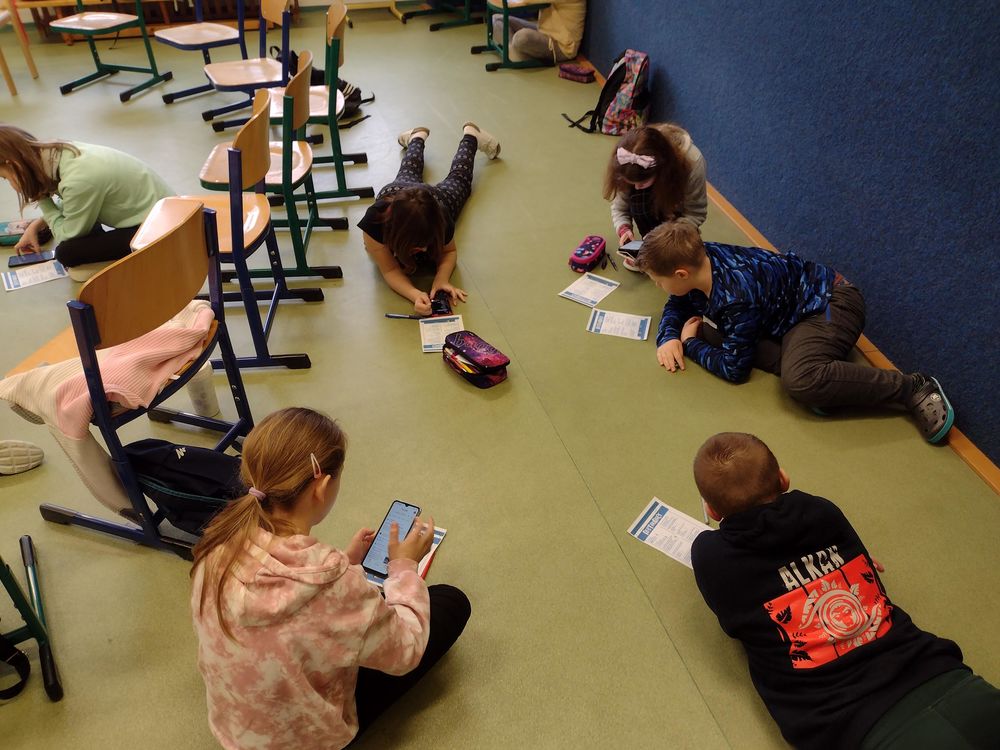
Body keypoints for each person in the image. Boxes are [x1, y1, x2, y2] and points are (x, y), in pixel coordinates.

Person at [690, 432, 1000, 750]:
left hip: (854, 724)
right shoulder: (821, 511)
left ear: (712, 511)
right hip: (947, 678)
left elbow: (733, 624)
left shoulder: (710, 555)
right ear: (783, 479)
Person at [190, 407, 471, 749]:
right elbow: (405, 652)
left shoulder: (217, 543)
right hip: (308, 741)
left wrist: (347, 562)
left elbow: (292, 599)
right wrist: (403, 566)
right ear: (322, 487)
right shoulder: (331, 583)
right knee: (450, 602)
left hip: (237, 732)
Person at [639, 221, 954, 443]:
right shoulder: (701, 258)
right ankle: (832, 383)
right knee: (714, 333)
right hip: (787, 315)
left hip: (829, 304)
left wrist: (690, 343)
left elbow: (735, 370)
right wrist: (668, 336)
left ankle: (912, 387)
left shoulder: (736, 296)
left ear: (681, 273)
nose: (657, 285)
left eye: (657, 280)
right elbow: (679, 301)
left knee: (800, 380)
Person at [359, 123, 500, 316]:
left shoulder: (441, 216)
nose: (425, 250)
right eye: (418, 246)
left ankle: (471, 136)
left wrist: (441, 279)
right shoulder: (374, 223)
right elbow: (390, 270)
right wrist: (415, 294)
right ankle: (416, 136)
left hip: (434, 197)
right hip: (395, 192)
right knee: (409, 169)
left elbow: (449, 251)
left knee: (460, 180)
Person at [0, 125, 172, 280]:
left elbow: (67, 235)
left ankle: (135, 259)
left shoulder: (78, 179)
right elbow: (75, 200)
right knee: (79, 227)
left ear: (14, 165)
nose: (9, 184)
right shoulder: (59, 154)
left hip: (162, 232)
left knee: (66, 252)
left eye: (5, 178)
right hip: (165, 213)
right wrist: (37, 225)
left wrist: (42, 199)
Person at [603, 123, 707, 271]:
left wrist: (663, 237)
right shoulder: (626, 161)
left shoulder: (693, 162)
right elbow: (620, 206)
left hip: (676, 210)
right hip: (658, 197)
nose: (636, 188)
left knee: (679, 261)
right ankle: (652, 245)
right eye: (631, 183)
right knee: (638, 200)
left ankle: (665, 243)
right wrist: (623, 228)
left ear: (661, 170)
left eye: (642, 183)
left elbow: (695, 214)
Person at [491, 0, 586, 66]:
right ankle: (513, 52)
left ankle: (514, 54)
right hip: (543, 32)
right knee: (497, 19)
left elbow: (525, 1)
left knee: (522, 37)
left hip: (561, 46)